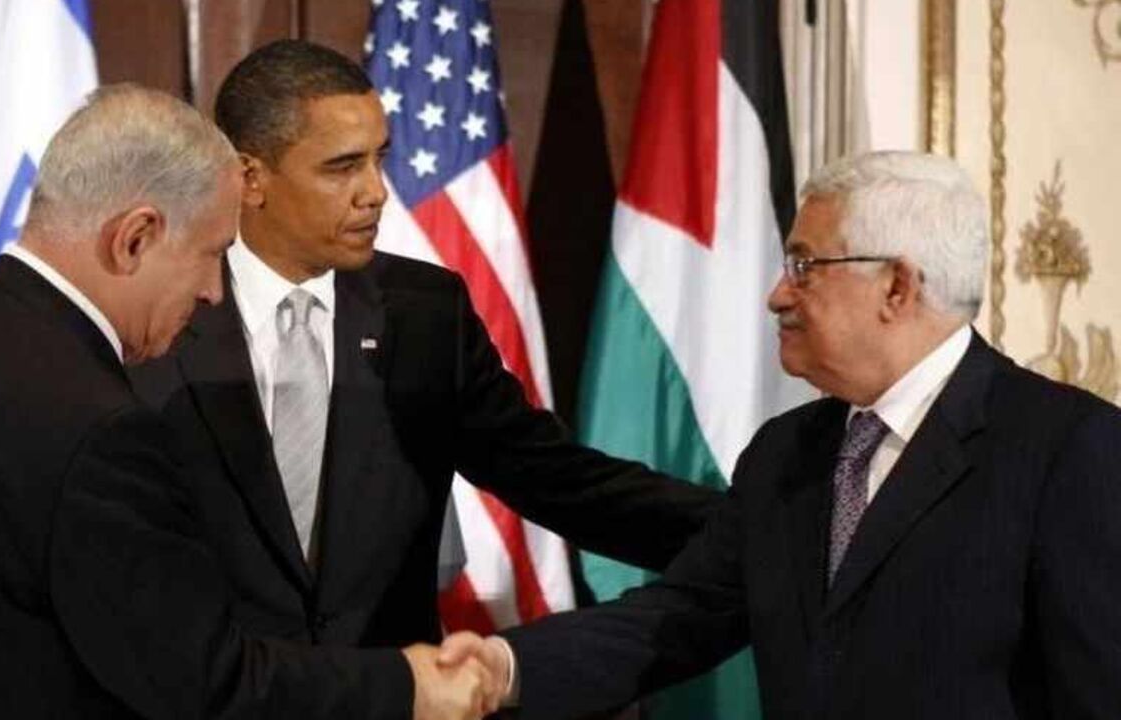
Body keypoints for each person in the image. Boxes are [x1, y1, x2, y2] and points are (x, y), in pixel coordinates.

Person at [0, 84, 495, 720]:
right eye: (213, 254)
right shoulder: (99, 428)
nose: (215, 291)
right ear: (134, 238)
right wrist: (407, 687)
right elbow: (205, 683)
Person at [127, 37, 719, 700]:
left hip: (390, 703)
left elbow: (559, 480)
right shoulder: (157, 317)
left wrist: (754, 531)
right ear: (251, 177)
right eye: (341, 167)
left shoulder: (424, 313)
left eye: (379, 159)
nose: (375, 193)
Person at [443, 150, 1121, 719]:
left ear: (897, 286)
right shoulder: (785, 454)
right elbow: (683, 614)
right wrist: (504, 665)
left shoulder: (1066, 447)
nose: (777, 295)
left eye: (804, 266)